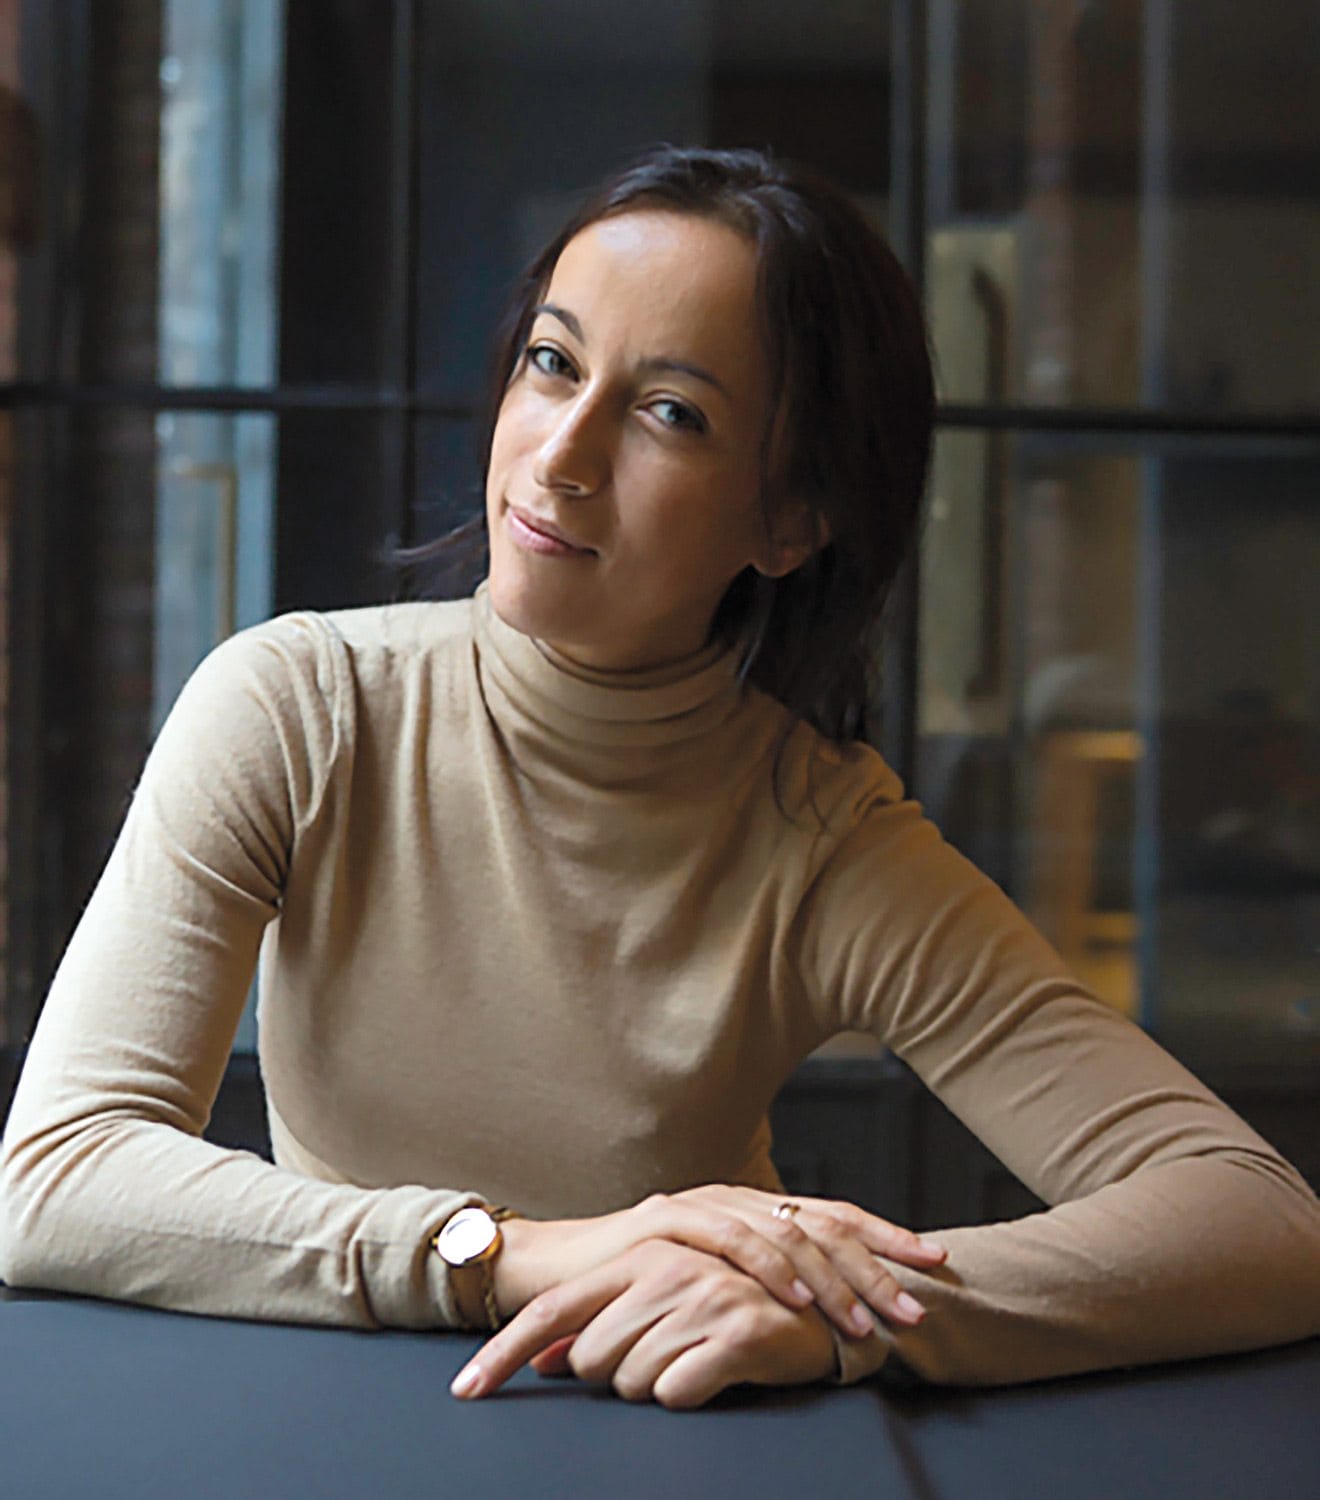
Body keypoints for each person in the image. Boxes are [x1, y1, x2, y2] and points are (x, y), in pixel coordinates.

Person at [1, 146, 1317, 1412]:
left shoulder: (822, 842)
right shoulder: (300, 709)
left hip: (672, 1435)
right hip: (325, 1417)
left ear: (790, 519)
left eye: (670, 414)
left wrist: (848, 1313)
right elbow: (56, 1177)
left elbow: (1260, 1218)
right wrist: (505, 1255)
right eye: (553, 363)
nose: (560, 456)